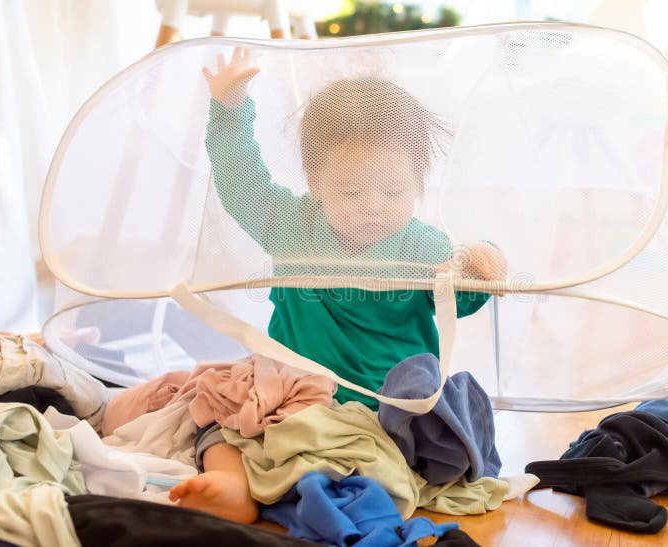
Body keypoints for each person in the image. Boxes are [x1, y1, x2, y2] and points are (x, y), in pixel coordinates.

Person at [169, 47, 507, 523]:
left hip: (389, 406)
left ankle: (337, 475)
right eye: (352, 191)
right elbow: (240, 178)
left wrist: (483, 265)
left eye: (393, 192)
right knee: (216, 417)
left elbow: (461, 299)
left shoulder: (423, 247)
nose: (373, 206)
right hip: (295, 395)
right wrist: (230, 110)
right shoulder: (290, 225)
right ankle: (230, 483)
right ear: (316, 181)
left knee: (439, 426)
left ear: (418, 185)